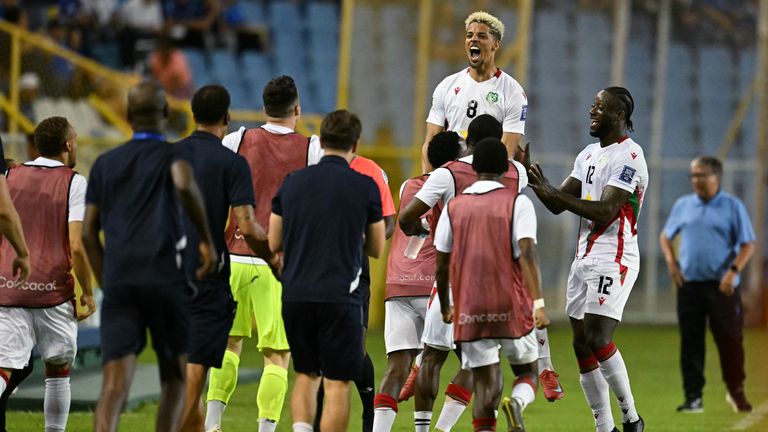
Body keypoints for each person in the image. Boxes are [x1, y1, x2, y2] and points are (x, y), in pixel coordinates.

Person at [399, 114, 552, 432]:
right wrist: (537, 303)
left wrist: (423, 229)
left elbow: (412, 223)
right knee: (509, 372)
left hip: (459, 288)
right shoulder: (517, 179)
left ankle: (426, 430)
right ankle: (506, 408)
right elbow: (527, 249)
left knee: (432, 358)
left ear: (469, 143)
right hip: (505, 289)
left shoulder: (448, 179)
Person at [82, 81, 217, 432]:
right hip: (165, 281)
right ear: (167, 114)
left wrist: (107, 282)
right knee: (174, 378)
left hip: (120, 283)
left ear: (127, 117)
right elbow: (184, 183)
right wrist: (206, 240)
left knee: (113, 386)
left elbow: (87, 234)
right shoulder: (175, 156)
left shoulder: (105, 164)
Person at [205, 75, 322, 432]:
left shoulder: (236, 139)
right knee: (277, 353)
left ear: (264, 108)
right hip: (278, 261)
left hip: (232, 254)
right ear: (297, 109)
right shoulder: (311, 148)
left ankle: (212, 426)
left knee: (228, 344)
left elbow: (213, 188)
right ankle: (266, 429)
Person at [526, 86, 647, 432]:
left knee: (598, 336)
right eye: (592, 105)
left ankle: (631, 417)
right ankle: (604, 427)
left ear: (619, 115)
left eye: (599, 107)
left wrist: (553, 193)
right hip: (583, 258)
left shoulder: (630, 156)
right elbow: (556, 203)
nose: (591, 111)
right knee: (581, 343)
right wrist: (538, 183)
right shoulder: (588, 155)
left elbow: (608, 209)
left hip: (616, 256)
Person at [269, 109, 386, 432]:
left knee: (306, 374)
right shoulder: (364, 186)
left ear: (320, 142)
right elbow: (376, 247)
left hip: (296, 294)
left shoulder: (292, 182)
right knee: (337, 383)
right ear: (355, 145)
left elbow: (274, 240)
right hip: (340, 296)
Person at [175, 85, 278, 431]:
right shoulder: (231, 162)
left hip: (166, 270)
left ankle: (204, 424)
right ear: (226, 118)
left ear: (192, 116)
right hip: (210, 269)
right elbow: (247, 225)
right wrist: (274, 260)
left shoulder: (168, 156)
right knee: (203, 360)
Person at [435, 137, 549, 432]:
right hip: (509, 303)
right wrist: (538, 304)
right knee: (527, 372)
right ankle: (517, 404)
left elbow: (442, 261)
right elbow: (527, 252)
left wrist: (447, 306)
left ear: (474, 169)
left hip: (470, 307)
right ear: (504, 168)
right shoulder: (517, 202)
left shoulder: (454, 206)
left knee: (484, 384)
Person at [0, 117, 95, 432]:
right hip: (54, 292)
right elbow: (78, 246)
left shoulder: (10, 176)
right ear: (68, 145)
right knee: (58, 370)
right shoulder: (74, 182)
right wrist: (89, 293)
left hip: (9, 286)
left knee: (4, 369)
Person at [371, 131, 461, 432]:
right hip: (433, 285)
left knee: (396, 367)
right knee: (471, 360)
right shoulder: (456, 187)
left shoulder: (407, 186)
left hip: (398, 282)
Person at [660, 156, 755, 414]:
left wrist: (732, 272)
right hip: (689, 286)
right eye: (693, 175)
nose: (695, 180)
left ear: (716, 177)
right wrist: (671, 263)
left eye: (700, 175)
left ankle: (736, 392)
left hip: (722, 288)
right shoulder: (683, 205)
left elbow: (748, 244)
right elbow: (665, 236)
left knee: (730, 341)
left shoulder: (732, 206)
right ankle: (693, 398)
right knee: (690, 343)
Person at [421, 11, 527, 172]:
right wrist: (430, 183)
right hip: (450, 177)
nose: (473, 39)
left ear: (495, 44)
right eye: (469, 35)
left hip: (486, 177)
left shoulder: (513, 92)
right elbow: (430, 143)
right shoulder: (446, 86)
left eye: (482, 36)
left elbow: (506, 152)